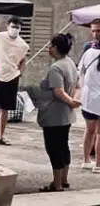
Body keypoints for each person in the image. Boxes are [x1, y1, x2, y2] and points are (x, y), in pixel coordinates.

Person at [37, 33, 81, 191]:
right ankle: (64, 179)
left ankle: (56, 184)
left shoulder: (56, 67)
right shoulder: (70, 63)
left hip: (54, 114)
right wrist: (73, 101)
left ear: (56, 48)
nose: (49, 48)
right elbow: (77, 86)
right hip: (66, 115)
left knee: (54, 148)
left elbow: (58, 91)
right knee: (63, 146)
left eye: (51, 46)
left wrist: (71, 101)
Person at [0, 17, 29, 145]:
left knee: (5, 109)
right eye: (13, 26)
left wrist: (19, 72)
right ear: (8, 26)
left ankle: (0, 136)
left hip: (11, 77)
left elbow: (23, 61)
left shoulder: (23, 45)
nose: (14, 29)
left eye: (17, 27)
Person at [77, 19, 100, 173]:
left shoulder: (88, 50)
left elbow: (80, 72)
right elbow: (81, 73)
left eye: (98, 30)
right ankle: (90, 161)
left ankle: (95, 162)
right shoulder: (87, 48)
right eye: (93, 30)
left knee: (94, 131)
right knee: (91, 130)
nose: (95, 34)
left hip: (89, 96)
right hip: (89, 96)